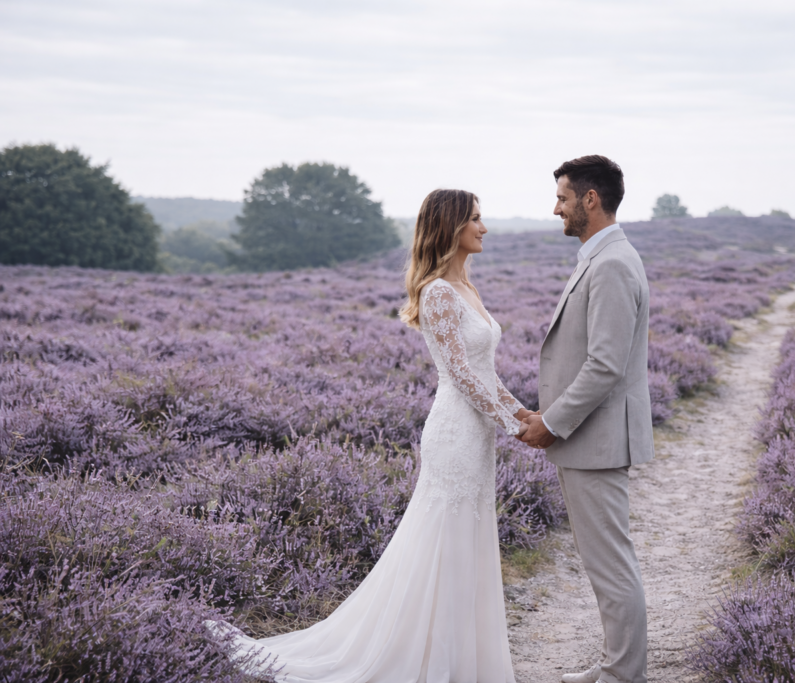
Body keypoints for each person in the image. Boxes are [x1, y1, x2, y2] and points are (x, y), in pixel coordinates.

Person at [206, 189, 529, 682]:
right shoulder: (439, 291)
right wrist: (513, 424)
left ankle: (464, 661)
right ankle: (424, 659)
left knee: (468, 538)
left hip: (477, 433)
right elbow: (461, 375)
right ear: (451, 227)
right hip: (454, 431)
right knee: (443, 539)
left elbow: (486, 371)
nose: (484, 229)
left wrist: (524, 412)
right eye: (477, 220)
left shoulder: (469, 290)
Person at [518, 155, 653, 683]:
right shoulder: (599, 258)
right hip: (588, 437)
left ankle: (625, 676)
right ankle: (617, 667)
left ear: (589, 199)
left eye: (562, 198)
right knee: (604, 564)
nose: (556, 209)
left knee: (611, 566)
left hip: (596, 439)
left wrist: (551, 423)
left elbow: (604, 365)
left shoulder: (613, 263)